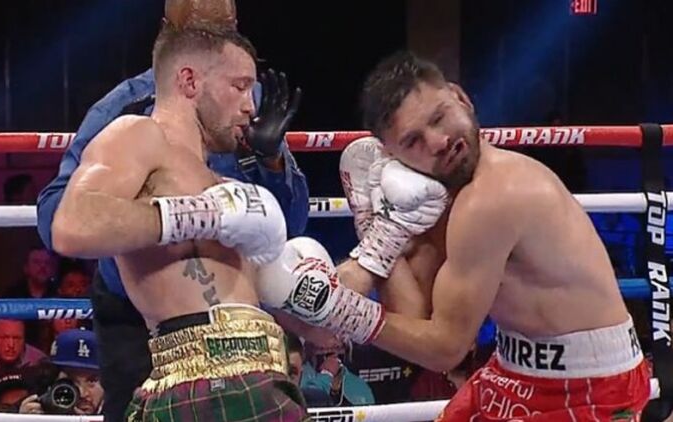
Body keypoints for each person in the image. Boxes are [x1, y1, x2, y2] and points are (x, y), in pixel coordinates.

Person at [257, 51, 650, 420]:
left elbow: (445, 350)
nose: (438, 141)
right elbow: (414, 316)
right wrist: (378, 229)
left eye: (439, 117)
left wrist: (340, 309)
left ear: (461, 99)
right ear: (392, 155)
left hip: (590, 385)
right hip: (515, 368)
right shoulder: (440, 194)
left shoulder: (492, 197)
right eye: (413, 141)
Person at [35, 1, 308, 419]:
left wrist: (270, 163)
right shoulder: (133, 125)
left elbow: (282, 233)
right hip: (175, 355)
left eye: (228, 25)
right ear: (188, 73)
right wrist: (199, 215)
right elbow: (69, 223)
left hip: (262, 368)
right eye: (239, 87)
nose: (250, 105)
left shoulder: (226, 164)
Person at [19, 329, 105, 415]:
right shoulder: (35, 405)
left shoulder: (113, 412)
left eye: (92, 381)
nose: (82, 393)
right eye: (70, 382)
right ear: (51, 383)